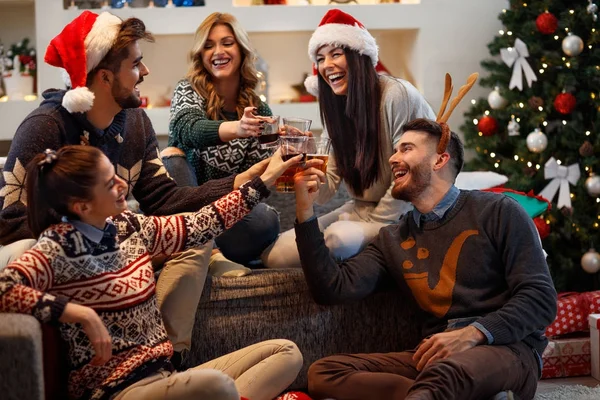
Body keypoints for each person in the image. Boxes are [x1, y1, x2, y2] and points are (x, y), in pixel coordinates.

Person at [0, 11, 268, 363]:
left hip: (118, 242)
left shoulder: (137, 123)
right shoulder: (45, 127)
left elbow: (164, 198)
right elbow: (11, 223)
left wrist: (242, 182)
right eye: (137, 64)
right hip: (63, 258)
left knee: (197, 242)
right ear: (107, 76)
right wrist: (98, 250)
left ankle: (166, 359)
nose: (146, 72)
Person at [291, 72, 558, 398]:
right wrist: (305, 214)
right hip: (434, 359)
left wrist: (473, 333)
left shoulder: (498, 211)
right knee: (324, 372)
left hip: (506, 348)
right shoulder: (392, 238)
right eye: (394, 150)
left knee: (446, 375)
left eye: (405, 149)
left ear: (440, 159)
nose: (392, 158)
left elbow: (541, 299)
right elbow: (331, 288)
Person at [0, 145, 305, 400]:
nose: (122, 185)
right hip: (117, 391)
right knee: (219, 387)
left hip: (165, 375)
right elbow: (4, 289)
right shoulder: (56, 247)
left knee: (287, 352)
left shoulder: (128, 226)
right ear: (81, 205)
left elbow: (201, 224)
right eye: (109, 184)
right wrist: (79, 313)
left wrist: (264, 181)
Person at [261, 9, 436, 269]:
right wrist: (307, 166)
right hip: (361, 208)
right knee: (273, 257)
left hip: (409, 210)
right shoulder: (338, 109)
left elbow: (409, 173)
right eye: (320, 58)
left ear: (357, 56)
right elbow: (325, 192)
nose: (326, 65)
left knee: (338, 240)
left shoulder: (396, 94)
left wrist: (370, 224)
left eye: (336, 54)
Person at [163, 12, 279, 273]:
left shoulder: (259, 108)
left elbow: (258, 183)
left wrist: (283, 150)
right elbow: (186, 130)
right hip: (187, 212)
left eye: (227, 42)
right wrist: (238, 128)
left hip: (229, 217)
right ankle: (211, 254)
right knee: (171, 156)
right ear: (200, 55)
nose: (218, 51)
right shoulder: (188, 89)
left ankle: (204, 249)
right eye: (208, 45)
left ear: (241, 48)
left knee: (267, 220)